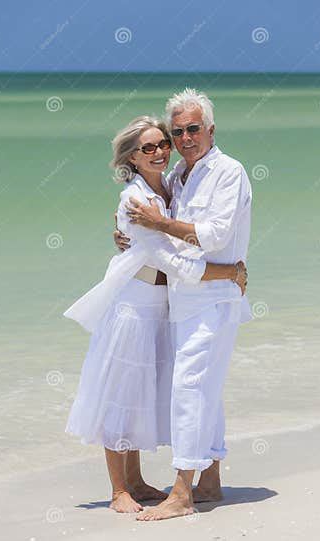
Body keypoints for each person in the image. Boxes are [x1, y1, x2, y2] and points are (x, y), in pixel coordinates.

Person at [63, 116, 247, 514]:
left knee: (142, 392)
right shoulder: (136, 197)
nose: (162, 150)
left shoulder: (172, 183)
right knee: (120, 392)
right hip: (133, 304)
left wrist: (129, 230)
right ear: (132, 155)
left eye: (163, 142)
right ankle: (118, 490)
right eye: (149, 147)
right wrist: (228, 272)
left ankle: (137, 480)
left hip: (162, 306)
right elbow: (171, 258)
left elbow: (187, 235)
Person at [114, 89, 253, 520]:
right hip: (185, 300)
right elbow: (151, 231)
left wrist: (158, 224)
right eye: (178, 132)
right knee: (204, 389)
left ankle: (182, 493)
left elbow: (212, 236)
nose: (186, 137)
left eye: (193, 129)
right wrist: (129, 237)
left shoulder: (228, 172)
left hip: (211, 301)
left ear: (211, 130)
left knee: (189, 390)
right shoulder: (179, 173)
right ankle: (210, 480)